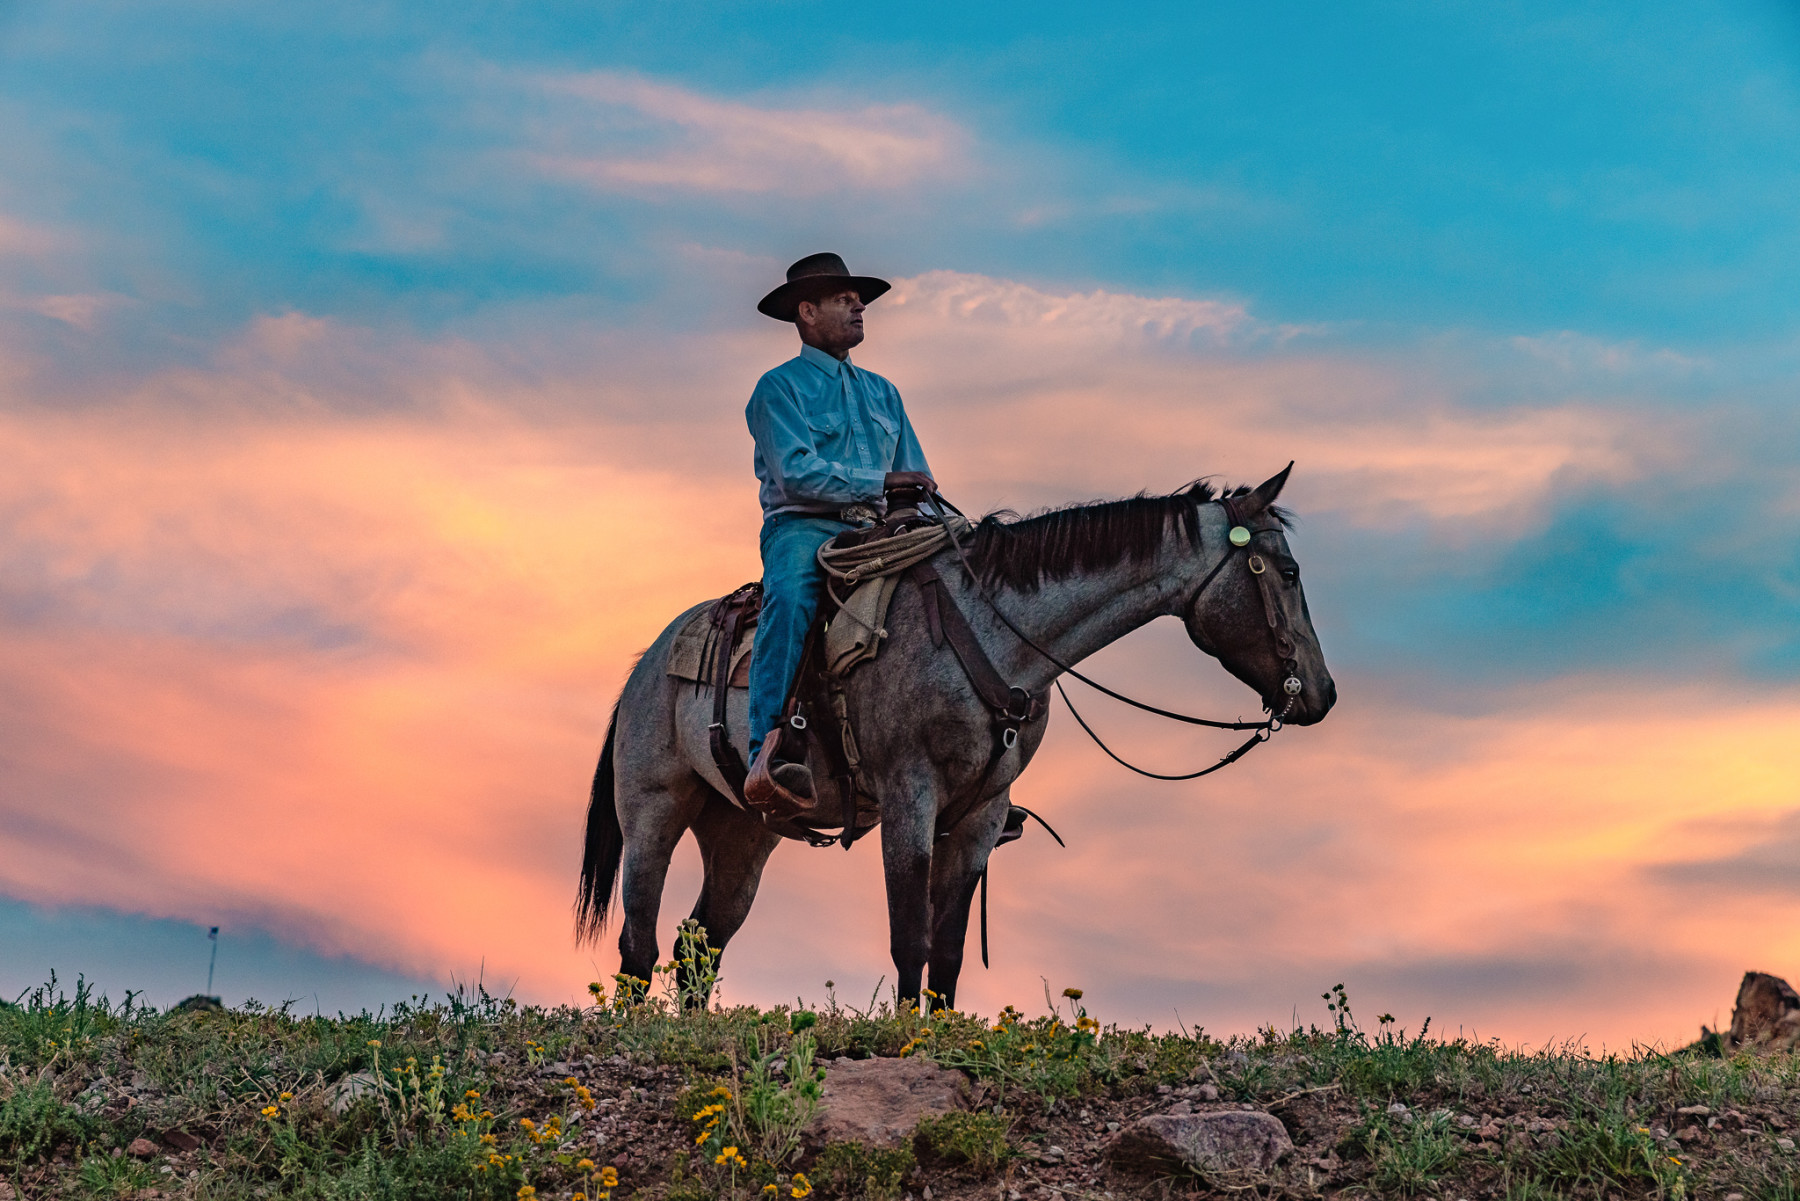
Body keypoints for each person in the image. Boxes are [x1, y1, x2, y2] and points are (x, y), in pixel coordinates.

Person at [742, 252, 935, 819]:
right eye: (843, 299)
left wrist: (919, 513)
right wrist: (883, 480)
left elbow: (913, 479)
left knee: (949, 592)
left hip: (877, 532)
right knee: (793, 598)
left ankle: (971, 768)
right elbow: (796, 472)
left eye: (860, 300)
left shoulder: (885, 394)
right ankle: (768, 753)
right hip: (802, 527)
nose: (858, 306)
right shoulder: (778, 389)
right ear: (806, 311)